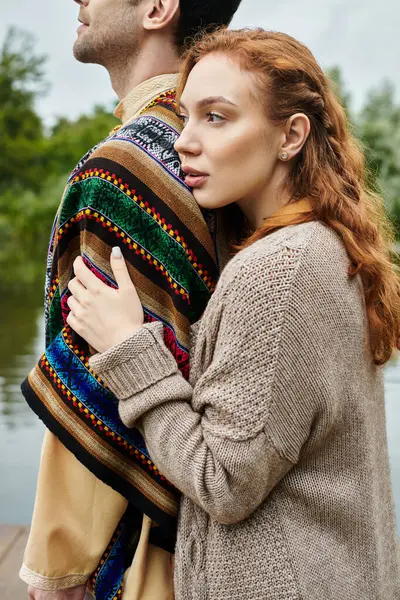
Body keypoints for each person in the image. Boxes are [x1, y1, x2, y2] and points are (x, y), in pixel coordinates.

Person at [67, 28, 400, 599]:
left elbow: (222, 482)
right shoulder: (324, 244)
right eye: (185, 118)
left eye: (216, 118)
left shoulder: (277, 271)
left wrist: (128, 346)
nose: (185, 142)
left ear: (291, 135)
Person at [20, 2, 242, 600]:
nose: (79, 0)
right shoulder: (226, 150)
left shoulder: (127, 168)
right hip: (219, 534)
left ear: (156, 8)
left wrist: (58, 569)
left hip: (147, 559)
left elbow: (98, 373)